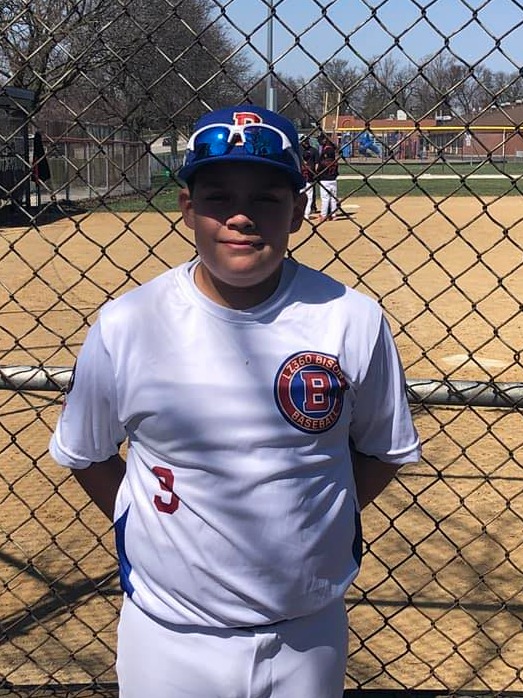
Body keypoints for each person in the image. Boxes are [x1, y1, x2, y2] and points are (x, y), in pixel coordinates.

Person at [49, 104, 420, 698]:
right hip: (168, 632)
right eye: (218, 197)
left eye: (266, 199)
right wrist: (144, 520)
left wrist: (311, 520)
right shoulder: (129, 323)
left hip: (307, 629)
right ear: (187, 207)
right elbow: (87, 453)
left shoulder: (349, 319)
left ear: (297, 210)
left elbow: (383, 448)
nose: (241, 217)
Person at [317, 135, 339, 222]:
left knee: (325, 198)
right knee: (333, 198)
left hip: (324, 181)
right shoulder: (335, 163)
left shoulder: (323, 163)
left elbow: (318, 170)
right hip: (333, 180)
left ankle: (323, 215)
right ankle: (334, 215)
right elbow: (337, 172)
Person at [300, 135, 319, 219]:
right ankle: (303, 213)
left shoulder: (313, 150)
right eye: (304, 141)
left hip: (309, 177)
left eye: (306, 140)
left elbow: (317, 163)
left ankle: (305, 214)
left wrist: (316, 173)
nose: (306, 142)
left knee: (309, 196)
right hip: (303, 178)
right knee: (304, 196)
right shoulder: (299, 150)